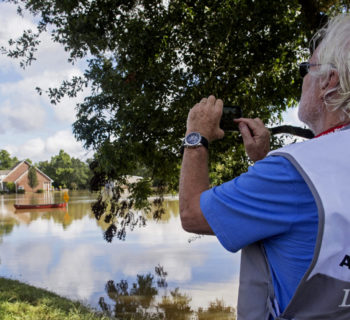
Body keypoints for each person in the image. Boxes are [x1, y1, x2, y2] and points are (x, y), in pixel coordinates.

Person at [179, 14, 350, 320]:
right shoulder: (301, 174)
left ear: (329, 80)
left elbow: (192, 214)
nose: (303, 80)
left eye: (306, 69)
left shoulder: (293, 174)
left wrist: (196, 137)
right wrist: (262, 161)